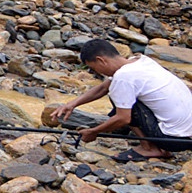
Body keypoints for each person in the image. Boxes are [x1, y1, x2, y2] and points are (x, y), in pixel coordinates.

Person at [53, 38, 192, 159]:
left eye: (94, 68)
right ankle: (156, 146)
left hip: (173, 141)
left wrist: (93, 132)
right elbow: (103, 88)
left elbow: (123, 118)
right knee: (118, 92)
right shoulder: (139, 61)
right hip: (187, 136)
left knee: (120, 99)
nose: (97, 72)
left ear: (101, 60)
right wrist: (72, 104)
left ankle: (149, 148)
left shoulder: (124, 77)